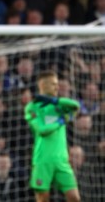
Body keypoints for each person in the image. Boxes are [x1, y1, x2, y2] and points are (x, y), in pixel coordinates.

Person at [24, 71, 81, 202]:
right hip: (43, 160)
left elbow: (76, 106)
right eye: (54, 84)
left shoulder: (59, 105)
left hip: (62, 160)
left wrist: (56, 100)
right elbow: (42, 130)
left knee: (74, 197)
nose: (57, 87)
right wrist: (60, 121)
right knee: (43, 199)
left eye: (58, 84)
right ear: (43, 85)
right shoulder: (32, 107)